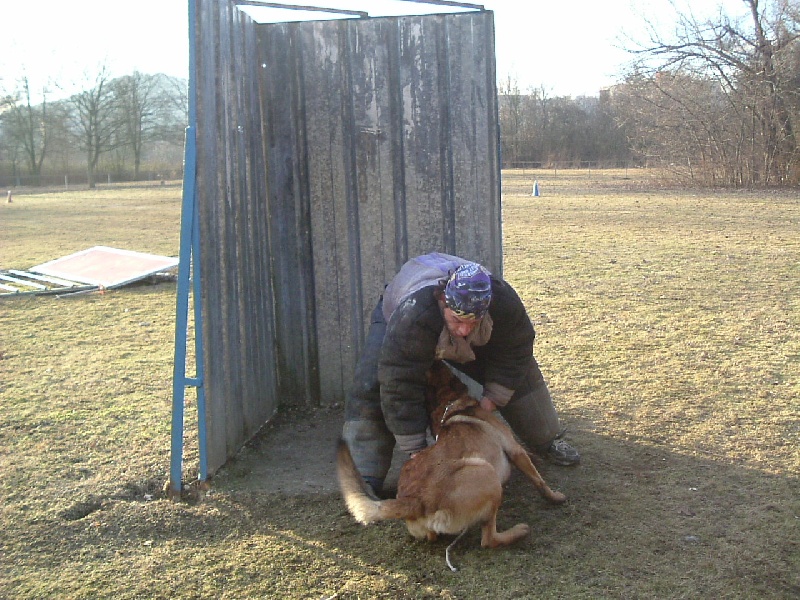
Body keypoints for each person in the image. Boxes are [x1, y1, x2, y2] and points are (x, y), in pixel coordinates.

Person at [342, 252, 580, 495]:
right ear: (444, 300)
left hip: (457, 324)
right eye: (458, 320)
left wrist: (491, 401)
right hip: (401, 314)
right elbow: (398, 382)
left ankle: (546, 440)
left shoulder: (503, 302)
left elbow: (516, 350)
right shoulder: (414, 316)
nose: (465, 330)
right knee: (371, 385)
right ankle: (364, 478)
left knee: (522, 374)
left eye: (473, 322)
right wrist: (417, 450)